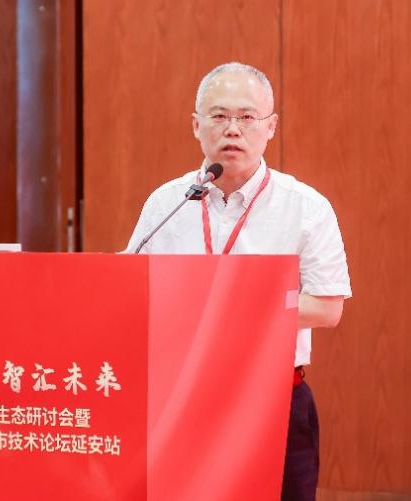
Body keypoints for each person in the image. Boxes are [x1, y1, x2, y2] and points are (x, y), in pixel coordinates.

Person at [124, 62, 352, 500]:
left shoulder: (305, 207)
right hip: (181, 396)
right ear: (196, 125)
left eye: (247, 117)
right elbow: (134, 288)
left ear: (271, 127)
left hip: (272, 400)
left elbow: (327, 308)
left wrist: (234, 306)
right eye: (219, 116)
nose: (233, 129)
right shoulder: (167, 203)